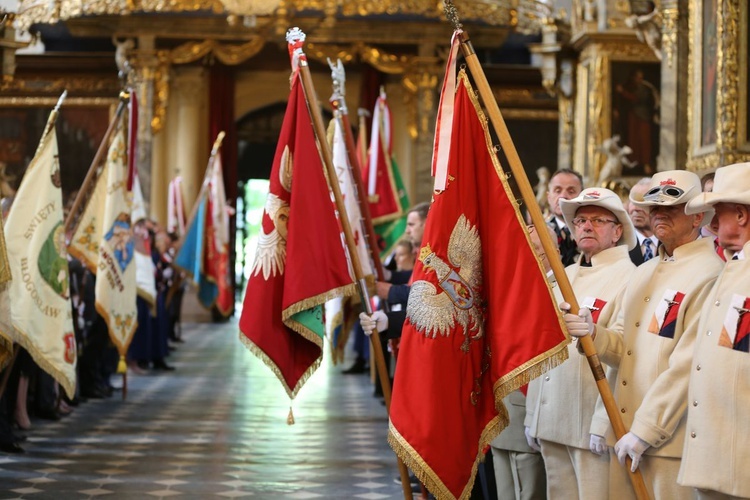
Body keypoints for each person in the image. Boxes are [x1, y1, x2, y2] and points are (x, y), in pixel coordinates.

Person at [564, 170, 723, 499]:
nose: (659, 214)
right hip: (628, 434)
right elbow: (623, 346)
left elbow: (686, 365)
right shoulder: (647, 271)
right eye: (655, 208)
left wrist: (647, 430)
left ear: (699, 218)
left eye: (673, 207)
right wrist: (595, 334)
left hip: (671, 441)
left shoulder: (709, 273)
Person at [526, 187, 636, 499]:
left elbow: (625, 356)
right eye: (580, 221)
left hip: (589, 423)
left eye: (598, 220)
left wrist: (603, 423)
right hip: (552, 419)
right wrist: (534, 413)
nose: (586, 226)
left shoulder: (629, 277)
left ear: (617, 232)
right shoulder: (566, 274)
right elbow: (544, 348)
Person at [678, 162, 750, 499]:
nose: (712, 223)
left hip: (740, 461)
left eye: (717, 213)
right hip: (716, 455)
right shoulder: (731, 268)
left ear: (741, 216)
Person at [491, 224, 558, 500]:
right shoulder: (515, 288)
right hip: (504, 410)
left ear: (552, 251)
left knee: (529, 492)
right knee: (508, 491)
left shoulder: (560, 291)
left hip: (529, 409)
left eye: (536, 249)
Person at [546, 169, 584, 266]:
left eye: (571, 191)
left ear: (582, 196)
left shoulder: (592, 231)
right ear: (548, 197)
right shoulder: (538, 233)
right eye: (557, 191)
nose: (563, 196)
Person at [627, 177, 659, 265]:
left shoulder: (671, 242)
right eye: (632, 202)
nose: (635, 209)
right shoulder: (619, 244)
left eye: (642, 202)